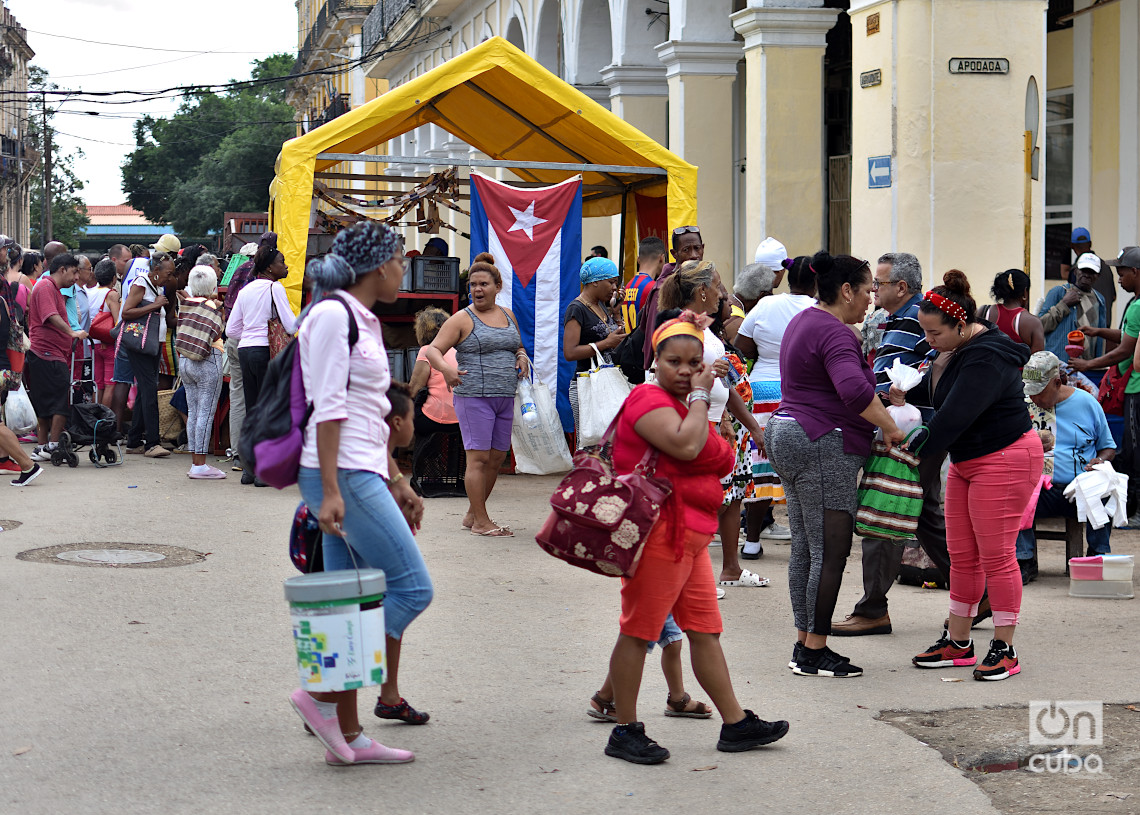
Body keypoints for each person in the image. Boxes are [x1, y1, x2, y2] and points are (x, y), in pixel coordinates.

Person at [602, 309, 789, 765]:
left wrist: (703, 416)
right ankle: (624, 730)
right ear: (655, 362)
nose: (685, 371)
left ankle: (736, 723)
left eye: (694, 362)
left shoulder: (686, 406)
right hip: (657, 537)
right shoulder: (648, 401)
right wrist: (704, 398)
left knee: (706, 632)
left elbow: (718, 456)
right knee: (638, 633)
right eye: (675, 362)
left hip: (690, 537)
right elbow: (690, 447)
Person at [290, 220, 430, 767]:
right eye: (399, 259)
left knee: (347, 600)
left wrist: (398, 477)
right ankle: (321, 696)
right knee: (412, 589)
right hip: (340, 473)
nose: (403, 269)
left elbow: (373, 413)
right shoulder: (331, 316)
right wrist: (328, 491)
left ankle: (348, 734)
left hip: (363, 468)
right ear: (377, 265)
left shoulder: (365, 319)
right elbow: (327, 406)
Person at [765, 251, 905, 678]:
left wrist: (880, 398)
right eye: (867, 290)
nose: (871, 299)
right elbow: (849, 390)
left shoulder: (805, 320)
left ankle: (805, 642)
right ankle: (815, 650)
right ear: (846, 291)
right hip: (821, 442)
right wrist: (889, 428)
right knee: (830, 550)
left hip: (790, 433)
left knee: (807, 547)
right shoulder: (838, 332)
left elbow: (831, 384)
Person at [897, 271, 1043, 681]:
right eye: (924, 332)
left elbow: (954, 416)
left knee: (996, 556)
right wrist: (895, 395)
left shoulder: (988, 355)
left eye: (934, 333)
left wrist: (911, 449)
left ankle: (1005, 648)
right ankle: (958, 642)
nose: (929, 341)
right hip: (968, 461)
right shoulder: (955, 349)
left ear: (960, 325)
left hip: (1005, 458)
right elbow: (931, 393)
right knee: (961, 556)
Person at [830, 252, 952, 636]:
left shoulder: (923, 319)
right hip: (899, 432)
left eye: (879, 283)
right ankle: (979, 590)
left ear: (902, 286)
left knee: (886, 509)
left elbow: (939, 361)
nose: (874, 289)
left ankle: (872, 608)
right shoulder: (897, 320)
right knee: (926, 516)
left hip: (912, 436)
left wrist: (903, 393)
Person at [657, 261, 768, 588]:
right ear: (702, 290)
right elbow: (669, 381)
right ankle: (687, 576)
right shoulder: (680, 330)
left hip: (715, 425)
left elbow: (723, 384)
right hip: (693, 428)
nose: (723, 293)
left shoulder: (705, 330)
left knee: (729, 496)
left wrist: (748, 425)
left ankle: (727, 569)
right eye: (718, 286)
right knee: (694, 503)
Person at [424, 253, 528, 537]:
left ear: (497, 286)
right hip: (474, 398)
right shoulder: (461, 318)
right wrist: (446, 370)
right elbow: (433, 350)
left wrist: (521, 356)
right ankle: (482, 521)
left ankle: (473, 514)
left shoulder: (508, 315)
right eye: (473, 285)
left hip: (504, 396)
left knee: (496, 458)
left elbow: (517, 345)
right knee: (478, 459)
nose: (477, 289)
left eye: (484, 284)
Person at [734, 256, 819, 556]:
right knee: (802, 468)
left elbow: (740, 344)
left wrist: (766, 353)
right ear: (816, 282)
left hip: (761, 391)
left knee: (761, 466)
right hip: (797, 393)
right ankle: (806, 542)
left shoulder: (766, 305)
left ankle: (753, 543)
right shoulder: (817, 310)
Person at [1015, 351, 1115, 583]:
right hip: (1039, 488)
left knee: (1103, 489)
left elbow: (1108, 447)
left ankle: (1098, 556)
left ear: (1057, 382)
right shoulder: (1022, 403)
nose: (1035, 397)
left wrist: (1100, 461)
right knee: (1014, 490)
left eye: (1040, 391)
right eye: (1030, 391)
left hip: (1079, 485)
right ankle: (1024, 559)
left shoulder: (1086, 402)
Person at [1068, 247, 1140, 522]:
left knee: (1134, 451)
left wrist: (1088, 365)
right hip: (1133, 384)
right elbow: (1126, 335)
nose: (1118, 280)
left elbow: (1125, 350)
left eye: (1122, 274)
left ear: (1135, 272)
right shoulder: (1135, 304)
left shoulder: (1137, 306)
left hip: (1135, 386)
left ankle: (1136, 512)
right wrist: (1098, 331)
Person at [226, 244, 296, 485]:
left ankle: (249, 469)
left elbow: (231, 329)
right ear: (269, 267)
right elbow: (290, 325)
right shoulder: (275, 287)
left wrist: (251, 330)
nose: (286, 266)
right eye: (282, 262)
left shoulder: (246, 290)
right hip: (266, 350)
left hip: (246, 350)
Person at [26, 253, 88, 460]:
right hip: (47, 353)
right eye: (74, 272)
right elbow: (50, 316)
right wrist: (71, 333)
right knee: (59, 402)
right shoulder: (45, 287)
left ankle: (43, 446)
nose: (76, 278)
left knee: (46, 403)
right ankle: (51, 446)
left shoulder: (51, 288)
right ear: (62, 270)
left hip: (48, 354)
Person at [224, 233, 275, 474]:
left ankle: (239, 456)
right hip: (257, 343)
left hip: (236, 341)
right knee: (261, 401)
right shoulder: (270, 282)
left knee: (239, 397)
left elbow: (230, 317)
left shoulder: (240, 270)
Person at [120, 252, 175, 459]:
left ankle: (134, 441)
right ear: (156, 270)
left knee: (145, 390)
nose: (170, 278)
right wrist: (155, 305)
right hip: (139, 345)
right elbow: (126, 312)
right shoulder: (141, 283)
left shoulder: (157, 286)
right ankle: (152, 442)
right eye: (168, 273)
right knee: (150, 389)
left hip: (152, 344)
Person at [563, 256, 626, 436]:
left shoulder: (601, 306)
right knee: (591, 444)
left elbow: (618, 338)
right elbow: (569, 352)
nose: (615, 288)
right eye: (611, 282)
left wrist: (616, 312)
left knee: (611, 445)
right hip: (587, 387)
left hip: (608, 384)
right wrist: (605, 343)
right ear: (595, 282)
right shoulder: (576, 309)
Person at [175, 266, 226, 480]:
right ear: (214, 286)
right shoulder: (213, 308)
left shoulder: (185, 304)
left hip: (185, 360)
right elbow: (218, 332)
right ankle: (200, 465)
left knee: (194, 412)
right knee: (206, 413)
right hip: (208, 360)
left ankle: (195, 463)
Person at [640, 226, 706, 368]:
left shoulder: (704, 281)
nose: (694, 255)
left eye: (697, 248)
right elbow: (654, 335)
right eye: (686, 250)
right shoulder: (662, 289)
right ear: (674, 253)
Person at [1037, 252, 1107, 364]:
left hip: (1086, 367)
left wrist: (1096, 365)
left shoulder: (1099, 300)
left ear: (1097, 276)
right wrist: (1063, 304)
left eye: (1092, 272)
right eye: (1083, 270)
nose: (1087, 275)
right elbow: (1039, 326)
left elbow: (1101, 337)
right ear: (1076, 271)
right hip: (1058, 365)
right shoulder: (1059, 292)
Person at [408, 307, 459, 438]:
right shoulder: (457, 350)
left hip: (438, 420)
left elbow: (414, 389)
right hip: (461, 420)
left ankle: (395, 457)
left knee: (396, 413)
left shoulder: (426, 350)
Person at [982, 269, 1045, 352]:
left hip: (985, 364)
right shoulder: (1033, 322)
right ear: (1025, 292)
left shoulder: (984, 312)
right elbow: (1038, 361)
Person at [89, 259, 120, 405]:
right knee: (109, 385)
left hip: (93, 344)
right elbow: (117, 322)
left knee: (98, 384)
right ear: (113, 278)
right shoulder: (112, 294)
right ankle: (104, 421)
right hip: (108, 344)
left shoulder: (89, 292)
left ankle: (95, 418)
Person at [620, 236, 666, 334]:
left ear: (638, 259)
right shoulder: (655, 288)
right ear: (662, 258)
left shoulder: (628, 285)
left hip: (628, 344)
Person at [1066, 227, 1115, 319]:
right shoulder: (1106, 267)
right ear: (1090, 244)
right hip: (1104, 324)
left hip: (1084, 326)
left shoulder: (1076, 270)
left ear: (1072, 246)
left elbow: (1072, 298)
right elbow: (1113, 297)